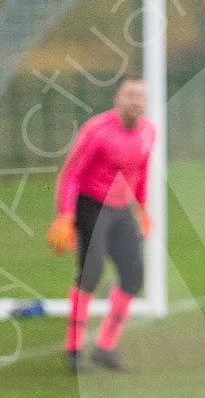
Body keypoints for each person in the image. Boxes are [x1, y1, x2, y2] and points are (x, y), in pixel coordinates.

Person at [46, 77, 156, 372]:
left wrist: (141, 208)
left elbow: (140, 171)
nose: (135, 101)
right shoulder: (97, 131)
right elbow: (71, 174)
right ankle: (74, 349)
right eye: (129, 94)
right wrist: (65, 215)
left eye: (140, 96)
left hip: (121, 210)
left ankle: (105, 346)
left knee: (133, 276)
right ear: (117, 98)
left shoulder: (149, 131)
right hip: (91, 204)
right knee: (91, 271)